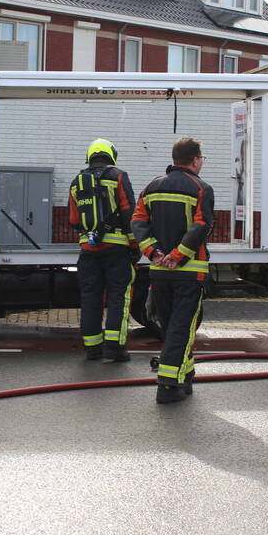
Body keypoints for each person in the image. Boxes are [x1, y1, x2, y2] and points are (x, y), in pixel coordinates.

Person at [132, 137, 214, 404]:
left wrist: (153, 252)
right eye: (201, 159)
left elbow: (138, 222)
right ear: (195, 160)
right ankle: (167, 385)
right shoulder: (201, 188)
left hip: (159, 271)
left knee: (170, 326)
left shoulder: (152, 187)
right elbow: (201, 226)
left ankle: (185, 375)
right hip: (190, 271)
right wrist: (178, 256)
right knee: (182, 327)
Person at [68, 139, 139, 362]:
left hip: (88, 249)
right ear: (111, 155)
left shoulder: (76, 181)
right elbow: (129, 213)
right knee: (119, 296)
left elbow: (72, 219)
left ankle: (92, 348)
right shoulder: (118, 176)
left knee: (90, 297)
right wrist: (135, 245)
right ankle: (115, 349)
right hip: (116, 248)